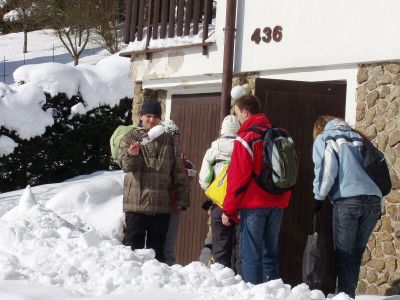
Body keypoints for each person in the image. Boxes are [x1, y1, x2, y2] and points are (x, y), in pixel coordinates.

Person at [222, 94, 292, 285]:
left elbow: (237, 178)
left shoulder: (246, 138)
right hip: (278, 202)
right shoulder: (280, 134)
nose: (237, 119)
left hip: (253, 204)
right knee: (270, 254)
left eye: (237, 114)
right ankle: (273, 293)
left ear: (245, 111)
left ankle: (253, 293)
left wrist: (228, 209)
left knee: (251, 255)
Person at [312, 115, 382, 298]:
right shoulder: (359, 137)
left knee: (344, 253)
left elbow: (327, 170)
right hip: (373, 202)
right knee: (355, 254)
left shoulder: (325, 138)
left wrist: (318, 197)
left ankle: (343, 295)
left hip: (348, 202)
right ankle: (347, 294)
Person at [117, 99, 189, 263]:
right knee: (133, 248)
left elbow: (178, 170)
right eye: (148, 116)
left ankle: (156, 287)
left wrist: (181, 199)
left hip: (161, 204)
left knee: (157, 252)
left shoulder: (169, 140)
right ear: (141, 117)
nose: (151, 120)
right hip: (136, 203)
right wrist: (131, 155)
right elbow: (126, 166)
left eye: (155, 117)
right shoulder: (130, 137)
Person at [199, 115, 241, 274]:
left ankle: (223, 285)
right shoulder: (243, 148)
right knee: (239, 250)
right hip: (239, 205)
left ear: (222, 131)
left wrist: (216, 190)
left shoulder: (213, 151)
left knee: (220, 250)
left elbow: (203, 181)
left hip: (219, 205)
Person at [161, 119, 197, 266]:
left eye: (177, 135)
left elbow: (191, 170)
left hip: (174, 205)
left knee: (169, 245)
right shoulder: (161, 153)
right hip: (160, 206)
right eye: (173, 135)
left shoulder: (179, 154)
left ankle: (168, 272)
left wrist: (186, 172)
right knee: (160, 243)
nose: (176, 138)